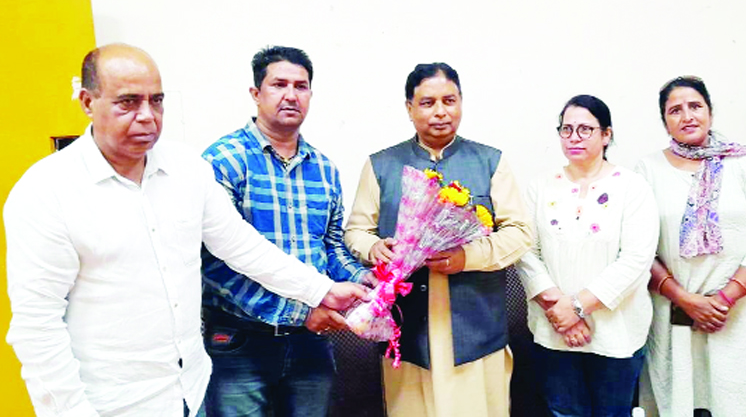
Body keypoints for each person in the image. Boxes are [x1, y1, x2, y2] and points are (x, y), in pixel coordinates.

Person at [3, 44, 367, 417]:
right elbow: (37, 326)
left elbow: (242, 246)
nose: (147, 117)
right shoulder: (46, 192)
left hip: (190, 391)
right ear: (87, 102)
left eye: (156, 101)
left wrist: (322, 290)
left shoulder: (186, 170)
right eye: (128, 102)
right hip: (109, 403)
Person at [344, 62, 532, 417]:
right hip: (407, 329)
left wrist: (468, 257)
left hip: (477, 326)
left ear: (461, 102)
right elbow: (356, 231)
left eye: (449, 100)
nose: (440, 112)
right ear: (409, 108)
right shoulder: (381, 165)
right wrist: (375, 248)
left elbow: (520, 233)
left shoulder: (490, 161)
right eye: (427, 103)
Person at [200, 45, 373, 417]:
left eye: (301, 86)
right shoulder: (222, 161)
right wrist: (300, 312)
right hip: (241, 341)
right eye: (279, 84)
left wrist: (367, 280)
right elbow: (214, 262)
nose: (291, 95)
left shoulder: (324, 169)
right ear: (256, 93)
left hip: (313, 341)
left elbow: (331, 248)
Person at [635, 76, 746, 416]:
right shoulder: (648, 169)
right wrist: (686, 300)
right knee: (677, 402)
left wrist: (722, 300)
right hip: (674, 313)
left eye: (695, 106)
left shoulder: (744, 164)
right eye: (675, 110)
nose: (687, 116)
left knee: (734, 403)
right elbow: (639, 248)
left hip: (736, 314)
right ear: (664, 121)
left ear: (710, 112)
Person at [515, 95, 659, 416]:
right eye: (566, 129)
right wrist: (561, 313)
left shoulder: (633, 187)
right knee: (563, 411)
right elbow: (525, 252)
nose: (574, 137)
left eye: (585, 129)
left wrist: (576, 308)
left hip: (616, 333)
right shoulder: (540, 187)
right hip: (554, 329)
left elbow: (636, 259)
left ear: (606, 135)